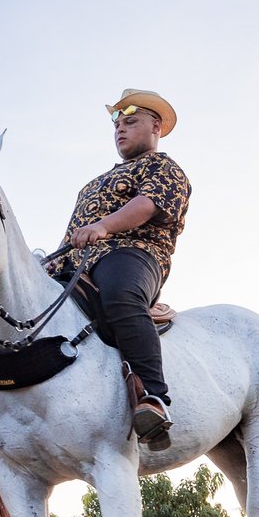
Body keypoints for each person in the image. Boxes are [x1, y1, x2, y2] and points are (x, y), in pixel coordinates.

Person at [47, 88, 191, 450]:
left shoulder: (163, 167)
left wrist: (104, 226)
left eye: (131, 122)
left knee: (120, 295)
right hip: (74, 265)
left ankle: (153, 398)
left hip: (132, 253)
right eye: (117, 126)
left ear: (156, 127)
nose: (120, 130)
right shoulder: (92, 184)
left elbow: (146, 205)